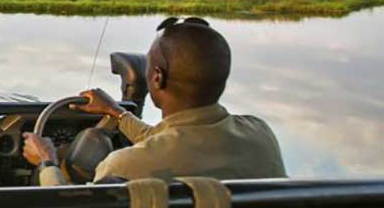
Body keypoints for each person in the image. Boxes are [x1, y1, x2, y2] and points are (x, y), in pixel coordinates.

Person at [23, 17, 286, 185]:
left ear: (157, 78)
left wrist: (47, 162)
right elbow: (168, 139)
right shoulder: (260, 134)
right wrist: (115, 112)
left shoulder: (125, 166)